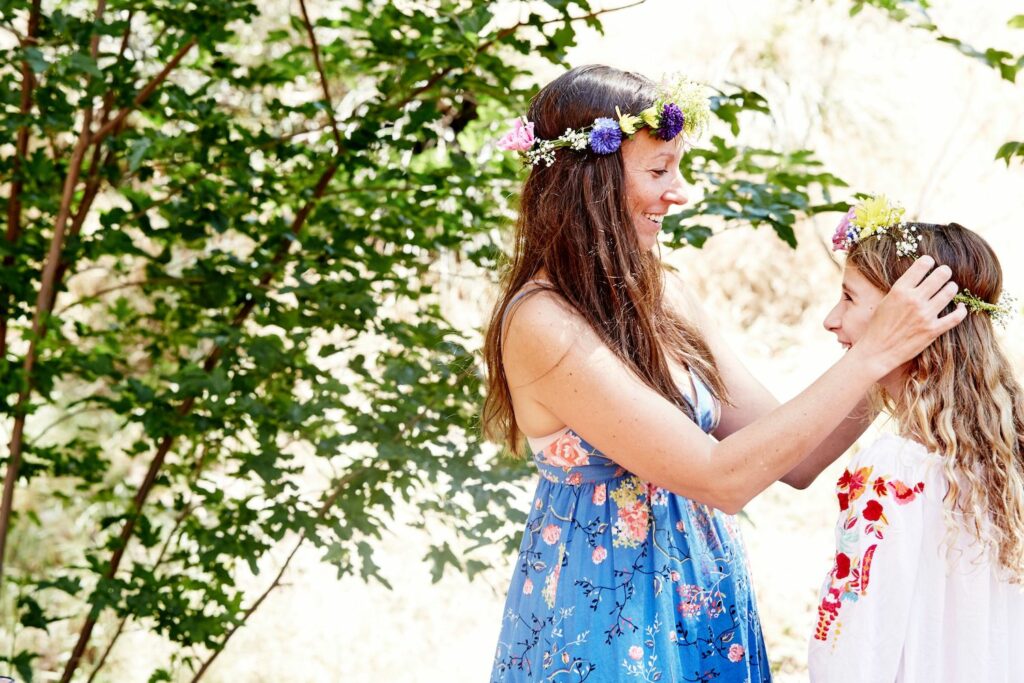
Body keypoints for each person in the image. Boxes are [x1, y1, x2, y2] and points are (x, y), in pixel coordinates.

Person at [482, 65, 965, 682]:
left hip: (702, 599)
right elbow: (719, 478)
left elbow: (794, 456)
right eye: (658, 170)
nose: (678, 191)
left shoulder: (665, 295)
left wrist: (893, 345)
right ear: (590, 180)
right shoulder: (542, 320)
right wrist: (874, 355)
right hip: (602, 615)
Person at [809, 198, 1023, 682]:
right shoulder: (1005, 458)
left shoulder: (896, 470)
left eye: (848, 298)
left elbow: (852, 643)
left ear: (904, 316)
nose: (830, 319)